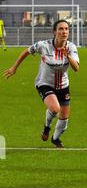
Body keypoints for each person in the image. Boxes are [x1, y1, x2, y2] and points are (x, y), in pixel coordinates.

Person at [3, 20, 80, 148]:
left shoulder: (71, 47)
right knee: (55, 108)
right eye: (61, 29)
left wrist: (68, 56)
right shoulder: (43, 45)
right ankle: (47, 127)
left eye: (66, 29)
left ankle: (55, 139)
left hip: (63, 85)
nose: (64, 32)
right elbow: (27, 51)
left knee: (65, 120)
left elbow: (76, 68)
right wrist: (14, 67)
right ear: (55, 32)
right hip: (44, 83)